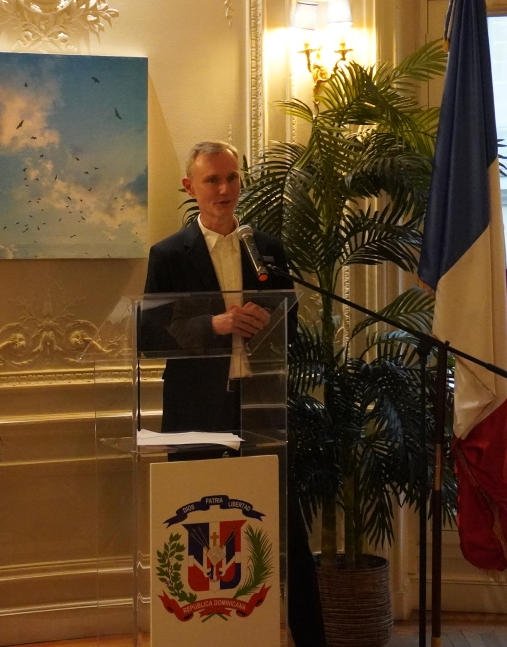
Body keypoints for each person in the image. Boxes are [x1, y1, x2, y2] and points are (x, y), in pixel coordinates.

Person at [143, 140, 326, 647]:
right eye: (211, 181)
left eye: (231, 179)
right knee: (194, 529)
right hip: (196, 410)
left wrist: (269, 319)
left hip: (262, 407)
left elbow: (290, 323)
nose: (224, 190)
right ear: (190, 187)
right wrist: (217, 323)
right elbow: (150, 336)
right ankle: (201, 637)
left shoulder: (266, 248)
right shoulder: (168, 254)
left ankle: (310, 639)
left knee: (286, 532)